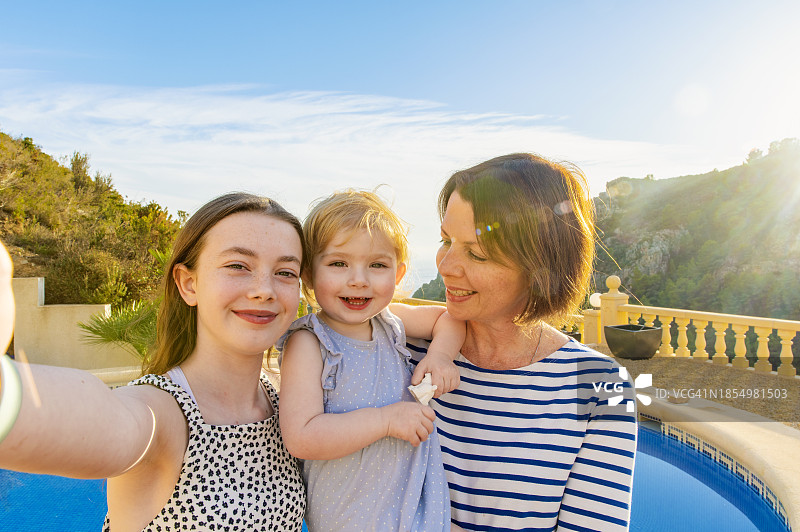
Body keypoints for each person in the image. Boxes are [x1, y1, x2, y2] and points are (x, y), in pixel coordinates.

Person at [0, 192, 307, 531]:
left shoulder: (284, 402)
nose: (264, 290)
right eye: (238, 266)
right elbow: (107, 419)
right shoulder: (162, 413)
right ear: (188, 284)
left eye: (285, 272)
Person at [406, 154, 638, 531]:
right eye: (445, 240)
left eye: (476, 253)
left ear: (539, 267)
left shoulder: (602, 387)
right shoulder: (406, 350)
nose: (445, 266)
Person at [278, 189, 464, 532]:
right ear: (308, 274)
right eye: (338, 263)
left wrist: (440, 357)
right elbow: (301, 437)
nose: (358, 280)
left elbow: (448, 319)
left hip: (418, 515)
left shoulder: (389, 321)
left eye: (377, 265)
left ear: (397, 273)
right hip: (350, 518)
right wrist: (385, 421)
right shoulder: (310, 342)